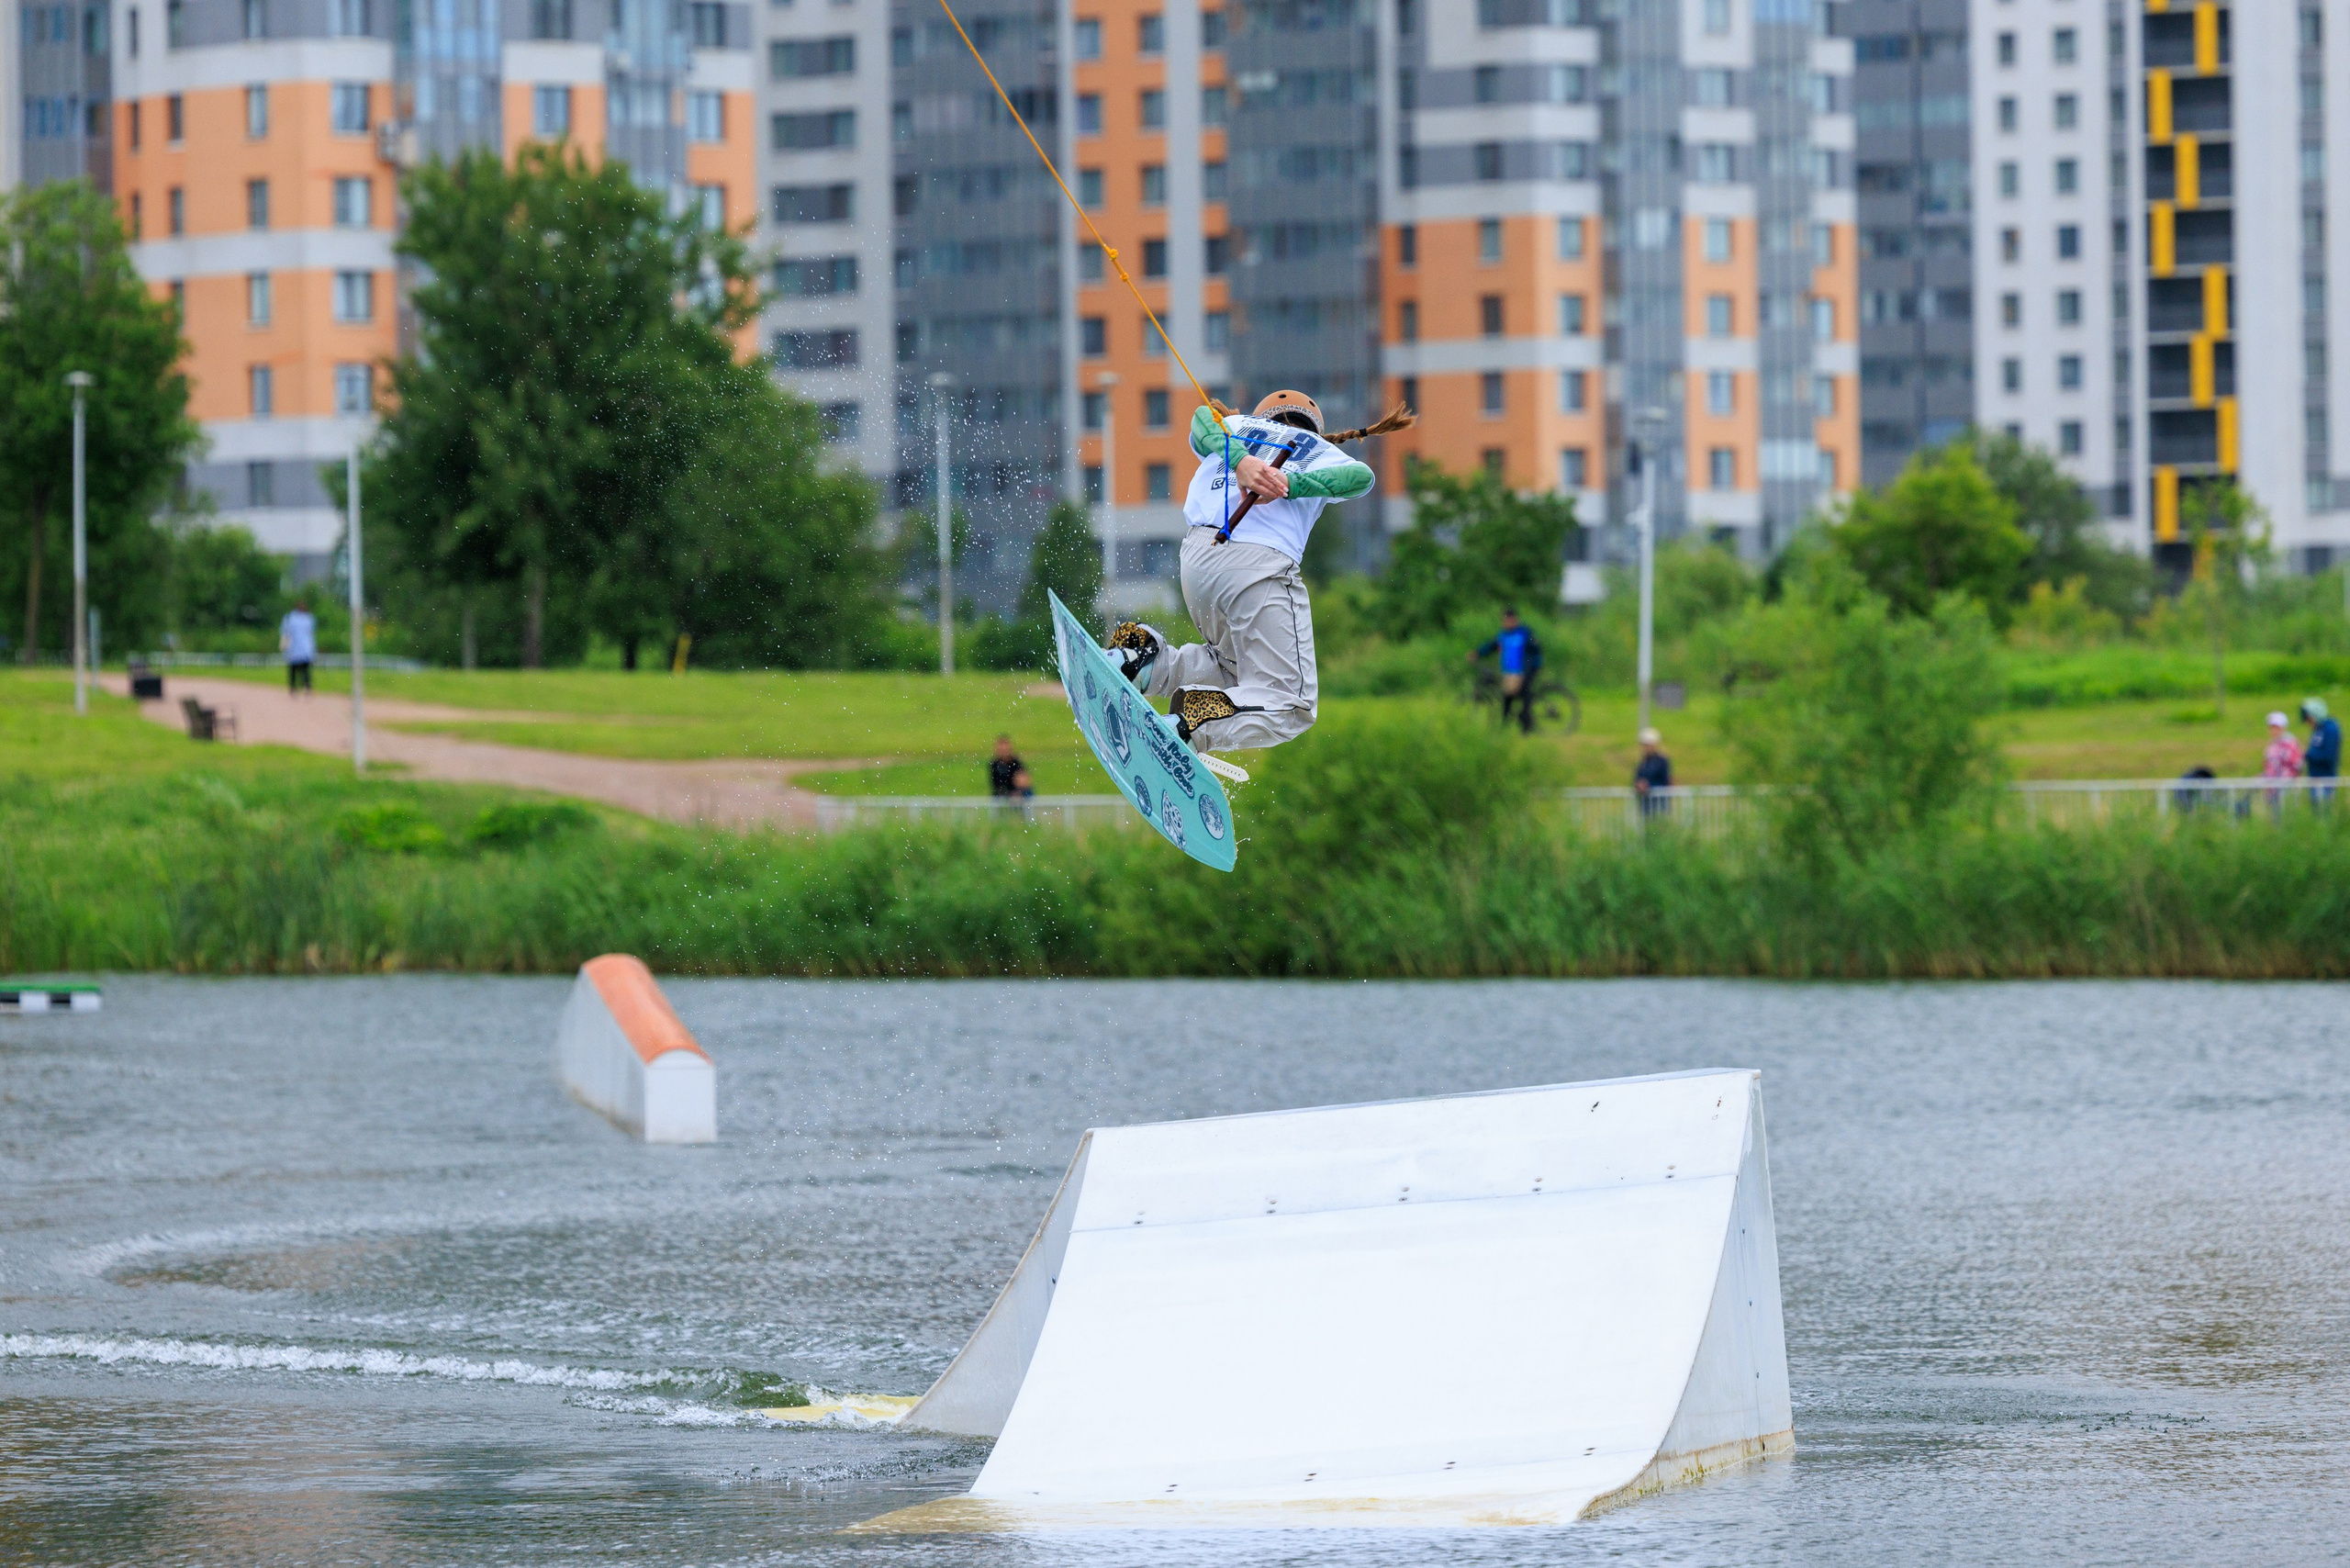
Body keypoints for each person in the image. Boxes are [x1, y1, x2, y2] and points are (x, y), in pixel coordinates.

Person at [1103, 390, 1409, 752]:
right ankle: (1196, 722)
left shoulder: (1233, 425)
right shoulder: (1318, 447)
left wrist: (1241, 459)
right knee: (1290, 704)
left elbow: (1202, 419)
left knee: (1234, 669)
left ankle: (1143, 660)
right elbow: (1361, 476)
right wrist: (1289, 484)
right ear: (1315, 427)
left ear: (1263, 415)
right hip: (1257, 566)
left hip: (1198, 561)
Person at [1471, 608, 1544, 734]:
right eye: (1506, 621)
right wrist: (1477, 653)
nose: (1508, 623)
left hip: (1526, 670)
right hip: (1510, 671)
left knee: (1524, 694)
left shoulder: (1524, 633)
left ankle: (1527, 728)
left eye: (1510, 620)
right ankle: (1505, 726)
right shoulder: (1502, 635)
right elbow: (1491, 646)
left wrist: (1528, 668)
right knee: (1507, 696)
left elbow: (1536, 649)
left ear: (1515, 620)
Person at [2301, 698, 2340, 805]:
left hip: (2325, 779)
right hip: (2315, 779)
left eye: (2309, 719)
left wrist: (2308, 754)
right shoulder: (2318, 730)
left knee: (2324, 812)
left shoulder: (2330, 728)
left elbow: (2329, 755)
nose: (2308, 723)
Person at [279, 597, 317, 696]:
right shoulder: (308, 618)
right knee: (302, 670)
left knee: (297, 670)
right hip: (301, 648)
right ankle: (304, 688)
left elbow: (284, 632)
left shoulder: (291, 617)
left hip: (297, 648)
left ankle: (296, 688)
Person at [1634, 726, 1673, 819]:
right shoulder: (1643, 762)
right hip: (1646, 804)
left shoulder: (1662, 761)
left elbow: (1665, 781)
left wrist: (1648, 786)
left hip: (1659, 803)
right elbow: (1636, 778)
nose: (1645, 748)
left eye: (1647, 745)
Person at [988, 734, 1024, 798]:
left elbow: (1023, 781)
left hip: (1017, 794)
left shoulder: (1016, 762)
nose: (1003, 750)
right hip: (1000, 794)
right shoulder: (994, 764)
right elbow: (995, 783)